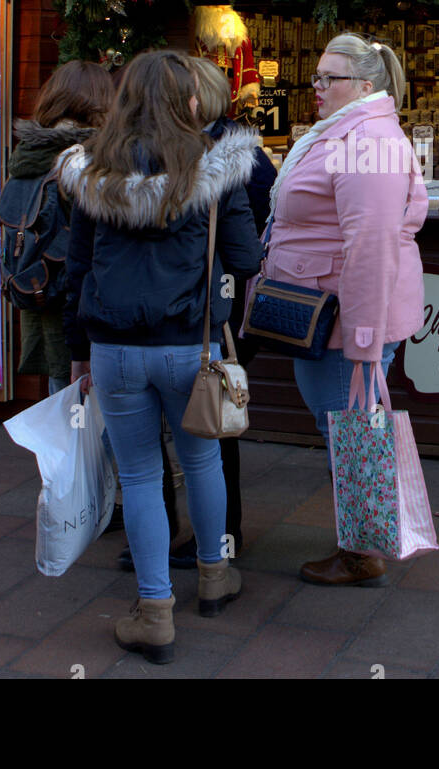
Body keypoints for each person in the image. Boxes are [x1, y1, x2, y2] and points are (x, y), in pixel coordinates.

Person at [58, 50, 264, 664]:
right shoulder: (217, 169)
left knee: (142, 477)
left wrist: (77, 354)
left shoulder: (91, 170)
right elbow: (248, 259)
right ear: (188, 102)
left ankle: (154, 612)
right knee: (201, 462)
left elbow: (77, 270)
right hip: (188, 346)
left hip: (114, 348)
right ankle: (214, 576)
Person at [258, 33, 428, 587]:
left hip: (341, 321)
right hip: (326, 312)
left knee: (350, 430)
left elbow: (372, 244)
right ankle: (363, 538)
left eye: (329, 79)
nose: (317, 88)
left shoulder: (368, 141)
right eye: (317, 77)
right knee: (346, 426)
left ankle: (362, 551)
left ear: (365, 84)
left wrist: (362, 341)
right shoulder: (348, 133)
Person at [145, 56, 275, 571]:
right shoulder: (180, 151)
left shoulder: (234, 158)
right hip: (196, 312)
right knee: (199, 427)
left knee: (212, 421)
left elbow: (250, 246)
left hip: (212, 314)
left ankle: (219, 536)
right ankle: (206, 542)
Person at [6, 60, 114, 394]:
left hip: (38, 285)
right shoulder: (87, 157)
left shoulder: (28, 152)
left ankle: (61, 445)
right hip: (79, 296)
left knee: (60, 389)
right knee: (85, 398)